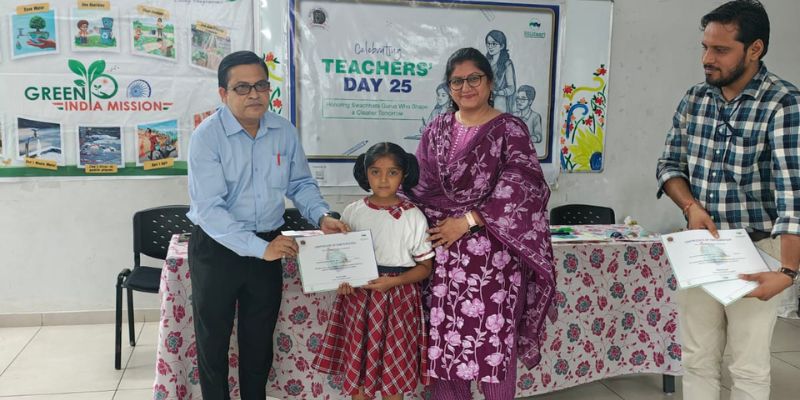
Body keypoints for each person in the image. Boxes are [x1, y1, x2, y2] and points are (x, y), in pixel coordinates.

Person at [655, 1, 800, 399]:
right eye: (705, 47)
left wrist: (787, 271)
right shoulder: (695, 99)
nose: (707, 59)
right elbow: (669, 166)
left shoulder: (783, 103)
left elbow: (794, 196)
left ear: (755, 49)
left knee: (748, 366)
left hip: (758, 251)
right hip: (700, 247)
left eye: (720, 50)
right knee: (696, 358)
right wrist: (691, 207)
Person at [187, 50, 347, 400]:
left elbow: (301, 184)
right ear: (223, 93)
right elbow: (210, 209)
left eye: (261, 85)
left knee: (259, 341)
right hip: (218, 248)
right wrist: (261, 249)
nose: (254, 94)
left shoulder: (282, 131)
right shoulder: (206, 137)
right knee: (213, 341)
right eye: (242, 87)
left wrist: (322, 215)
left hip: (269, 247)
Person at [407, 47, 555, 400]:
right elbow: (419, 183)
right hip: (443, 260)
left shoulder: (509, 129)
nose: (466, 87)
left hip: (493, 261)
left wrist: (469, 221)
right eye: (456, 81)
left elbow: (522, 187)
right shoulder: (437, 129)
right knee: (447, 348)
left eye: (474, 78)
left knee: (492, 348)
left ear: (490, 82)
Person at [313, 142, 434, 400]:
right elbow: (341, 260)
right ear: (365, 173)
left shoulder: (413, 216)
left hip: (398, 301)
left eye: (392, 172)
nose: (383, 179)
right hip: (359, 300)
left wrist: (395, 282)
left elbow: (425, 267)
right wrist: (343, 281)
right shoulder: (353, 212)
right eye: (376, 172)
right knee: (359, 373)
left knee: (394, 373)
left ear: (404, 174)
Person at [485, 30, 516, 113]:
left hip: (499, 98)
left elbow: (511, 88)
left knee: (499, 100)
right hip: (485, 97)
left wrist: (497, 92)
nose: (490, 46)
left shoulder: (507, 64)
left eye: (494, 44)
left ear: (502, 46)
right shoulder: (485, 62)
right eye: (488, 43)